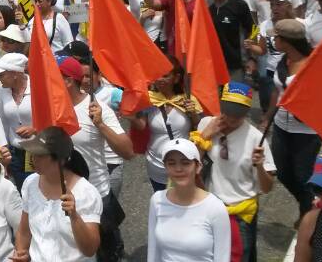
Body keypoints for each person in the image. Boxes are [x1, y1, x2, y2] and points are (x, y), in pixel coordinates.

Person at [58, 57, 131, 261]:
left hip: (97, 195)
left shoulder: (96, 108)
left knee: (105, 255)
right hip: (63, 196)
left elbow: (127, 151)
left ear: (69, 81)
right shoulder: (50, 108)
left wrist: (100, 125)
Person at [193, 82, 276, 262]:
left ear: (247, 112)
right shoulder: (207, 124)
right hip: (211, 207)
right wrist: (204, 136)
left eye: (237, 114)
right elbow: (188, 165)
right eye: (227, 111)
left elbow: (268, 187)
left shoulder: (255, 139)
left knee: (241, 257)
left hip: (241, 212)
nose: (230, 118)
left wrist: (260, 165)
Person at [13, 126, 101, 262]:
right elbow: (24, 232)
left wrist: (74, 216)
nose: (33, 159)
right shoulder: (30, 183)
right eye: (33, 153)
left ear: (61, 160)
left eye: (41, 155)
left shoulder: (86, 192)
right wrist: (21, 253)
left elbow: (90, 249)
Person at [265, 19, 322, 226]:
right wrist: (267, 118)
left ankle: (309, 215)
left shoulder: (312, 65)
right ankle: (306, 202)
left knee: (303, 175)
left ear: (286, 40)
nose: (273, 40)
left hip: (305, 132)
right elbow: (276, 91)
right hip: (281, 125)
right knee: (281, 172)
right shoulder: (283, 60)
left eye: (276, 37)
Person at [146, 138, 231, 262]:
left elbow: (222, 257)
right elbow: (153, 253)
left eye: (185, 163)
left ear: (198, 167)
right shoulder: (157, 200)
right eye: (171, 163)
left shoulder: (215, 207)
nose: (178, 169)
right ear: (165, 167)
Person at [131, 58, 202, 191]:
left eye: (165, 76)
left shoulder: (187, 100)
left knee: (184, 204)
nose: (160, 79)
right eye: (157, 76)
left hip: (183, 165)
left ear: (176, 78)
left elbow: (200, 128)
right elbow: (141, 125)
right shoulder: (149, 99)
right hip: (156, 164)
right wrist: (130, 116)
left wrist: (193, 113)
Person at [0, 53, 33, 188]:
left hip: (38, 152)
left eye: (2, 75)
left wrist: (35, 129)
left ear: (15, 74)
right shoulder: (2, 91)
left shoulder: (38, 86)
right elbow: (3, 123)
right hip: (15, 155)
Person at [206, 0, 254, 79]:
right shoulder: (205, 6)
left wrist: (252, 58)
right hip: (211, 65)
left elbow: (253, 30)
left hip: (235, 66)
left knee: (233, 96)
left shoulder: (239, 5)